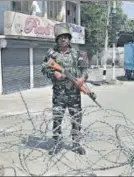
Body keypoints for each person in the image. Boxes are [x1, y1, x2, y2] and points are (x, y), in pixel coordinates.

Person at [41, 23, 88, 155]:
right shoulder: (52, 54)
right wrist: (54, 74)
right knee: (57, 119)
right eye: (60, 37)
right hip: (59, 94)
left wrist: (82, 79)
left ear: (69, 39)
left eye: (66, 37)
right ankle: (56, 144)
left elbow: (84, 69)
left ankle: (76, 144)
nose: (63, 39)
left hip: (74, 93)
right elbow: (44, 68)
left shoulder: (76, 53)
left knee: (76, 119)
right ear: (57, 39)